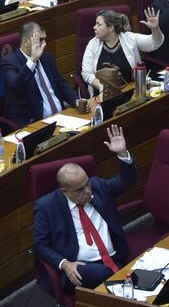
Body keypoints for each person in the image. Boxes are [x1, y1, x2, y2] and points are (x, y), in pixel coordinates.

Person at [33, 125, 135, 291]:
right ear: (65, 191)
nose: (88, 191)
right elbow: (40, 245)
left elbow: (126, 181)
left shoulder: (97, 186)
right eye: (80, 189)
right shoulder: (47, 206)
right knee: (109, 277)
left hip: (114, 257)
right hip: (80, 267)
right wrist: (64, 264)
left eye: (87, 184)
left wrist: (122, 154)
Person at [0, 21, 79, 127]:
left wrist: (76, 100)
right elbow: (16, 86)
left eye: (44, 39)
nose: (45, 44)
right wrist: (32, 60)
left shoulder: (47, 57)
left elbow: (60, 83)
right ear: (25, 41)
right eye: (40, 40)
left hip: (61, 117)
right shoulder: (9, 62)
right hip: (34, 123)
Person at [82, 9, 163, 96]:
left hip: (132, 91)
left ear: (111, 28)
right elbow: (86, 73)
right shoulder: (92, 44)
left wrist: (155, 29)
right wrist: (103, 88)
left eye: (99, 24)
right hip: (103, 95)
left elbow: (155, 43)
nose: (94, 27)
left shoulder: (129, 38)